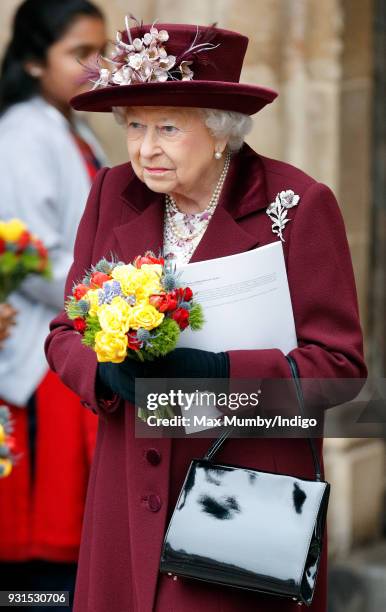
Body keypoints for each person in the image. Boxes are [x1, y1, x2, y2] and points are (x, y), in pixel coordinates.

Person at [45, 21, 367, 612]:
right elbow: (65, 332)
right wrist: (102, 373)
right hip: (129, 491)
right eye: (135, 126)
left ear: (220, 131)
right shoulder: (113, 192)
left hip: (241, 495)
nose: (145, 148)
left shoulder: (294, 205)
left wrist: (218, 375)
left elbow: (340, 368)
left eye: (168, 127)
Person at [0, 0, 107, 600]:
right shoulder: (22, 132)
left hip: (68, 335)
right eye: (78, 54)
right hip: (38, 351)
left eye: (101, 53)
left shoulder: (72, 126)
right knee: (44, 535)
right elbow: (31, 252)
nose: (94, 68)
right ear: (36, 60)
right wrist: (116, 297)